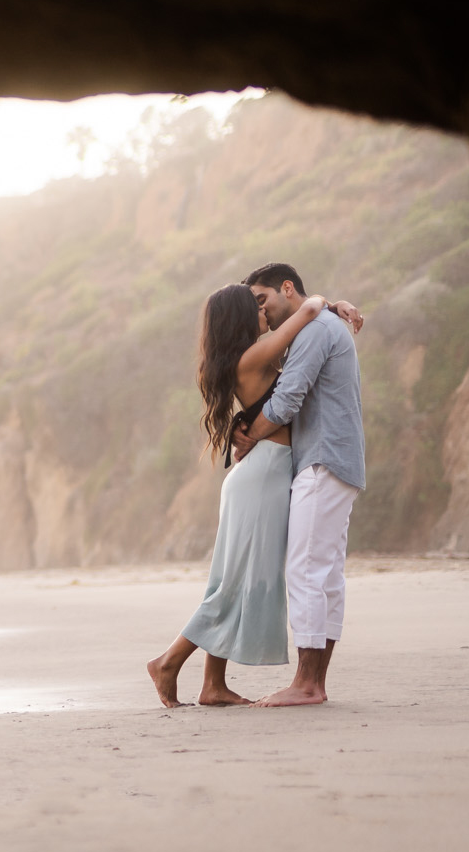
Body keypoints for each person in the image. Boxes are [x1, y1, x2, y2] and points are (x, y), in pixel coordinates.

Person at [146, 280, 357, 706]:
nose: (265, 313)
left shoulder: (243, 359)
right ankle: (168, 661)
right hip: (263, 477)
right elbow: (309, 312)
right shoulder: (256, 355)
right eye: (256, 307)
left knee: (232, 580)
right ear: (242, 319)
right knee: (234, 584)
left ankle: (213, 685)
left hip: (264, 474)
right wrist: (324, 301)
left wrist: (335, 305)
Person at [230, 263, 366, 707]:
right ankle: (315, 682)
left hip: (322, 458)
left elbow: (288, 398)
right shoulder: (322, 322)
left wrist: (249, 437)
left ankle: (307, 684)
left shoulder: (314, 331)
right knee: (324, 573)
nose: (262, 312)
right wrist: (329, 300)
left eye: (263, 299)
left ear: (288, 288)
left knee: (307, 569)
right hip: (336, 458)